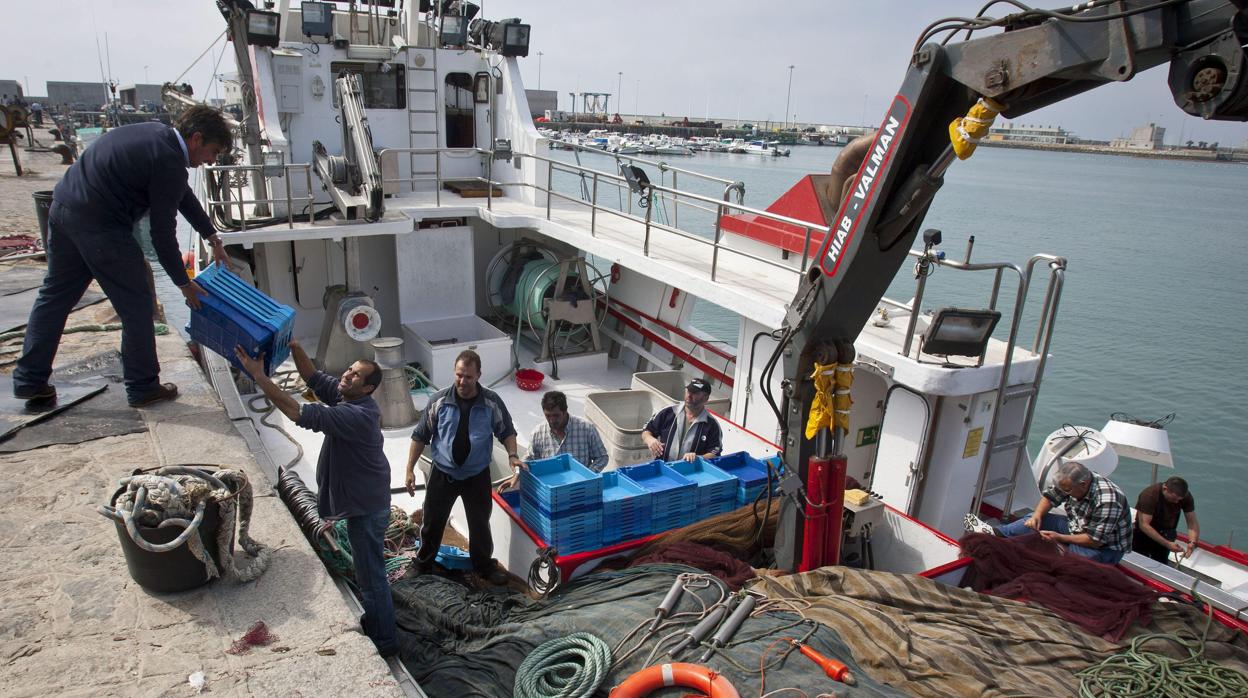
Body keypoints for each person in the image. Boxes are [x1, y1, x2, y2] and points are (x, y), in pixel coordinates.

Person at [13, 104, 231, 406]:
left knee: (55, 297)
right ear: (196, 139)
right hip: (100, 225)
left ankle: (29, 380)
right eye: (213, 151)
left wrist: (211, 235)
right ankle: (143, 386)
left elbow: (181, 194)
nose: (211, 161)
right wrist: (184, 284)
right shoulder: (169, 159)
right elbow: (162, 235)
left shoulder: (158, 136)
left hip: (63, 207)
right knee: (138, 304)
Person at [234, 339, 398, 657]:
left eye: (354, 376)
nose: (346, 376)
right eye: (349, 370)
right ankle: (377, 621)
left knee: (371, 577)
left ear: (367, 389)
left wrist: (258, 376)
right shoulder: (347, 396)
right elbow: (313, 378)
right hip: (361, 502)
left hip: (367, 509)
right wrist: (293, 345)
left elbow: (297, 411)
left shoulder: (358, 415)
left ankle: (386, 640)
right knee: (368, 574)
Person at [404, 350, 519, 585]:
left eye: (468, 376)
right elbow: (420, 436)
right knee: (433, 521)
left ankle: (484, 566)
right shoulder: (438, 400)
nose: (462, 381)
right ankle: (423, 563)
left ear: (478, 375)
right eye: (458, 375)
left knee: (480, 524)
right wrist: (409, 469)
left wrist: (513, 455)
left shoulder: (491, 402)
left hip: (477, 476)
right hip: (442, 474)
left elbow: (506, 430)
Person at [996, 460, 1132, 564]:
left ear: (1083, 484)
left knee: (1070, 563)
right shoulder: (1071, 483)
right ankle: (1000, 534)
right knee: (1031, 519)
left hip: (1102, 548)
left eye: (1067, 491)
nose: (1064, 493)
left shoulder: (1108, 501)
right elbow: (1050, 497)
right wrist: (1037, 515)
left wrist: (1059, 537)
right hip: (1076, 527)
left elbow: (1095, 540)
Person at [641, 378, 723, 463]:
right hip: (663, 468)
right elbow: (647, 430)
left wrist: (698, 458)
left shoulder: (712, 425)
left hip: (690, 472)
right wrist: (649, 439)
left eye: (695, 393)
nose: (689, 395)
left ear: (705, 398)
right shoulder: (668, 412)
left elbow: (715, 452)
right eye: (688, 391)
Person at [526, 390, 609, 472]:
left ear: (565, 411)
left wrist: (587, 475)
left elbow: (602, 457)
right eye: (548, 416)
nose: (552, 420)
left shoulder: (586, 428)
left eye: (556, 415)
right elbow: (528, 460)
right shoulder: (537, 433)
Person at [1132, 476, 1200, 564]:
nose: (1176, 502)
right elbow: (1144, 525)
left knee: (1161, 562)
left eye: (1179, 500)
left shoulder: (1185, 497)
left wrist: (1192, 542)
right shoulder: (1149, 495)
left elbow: (1192, 522)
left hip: (1167, 532)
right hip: (1145, 533)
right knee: (1140, 560)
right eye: (1173, 499)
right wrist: (1167, 543)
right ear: (1165, 489)